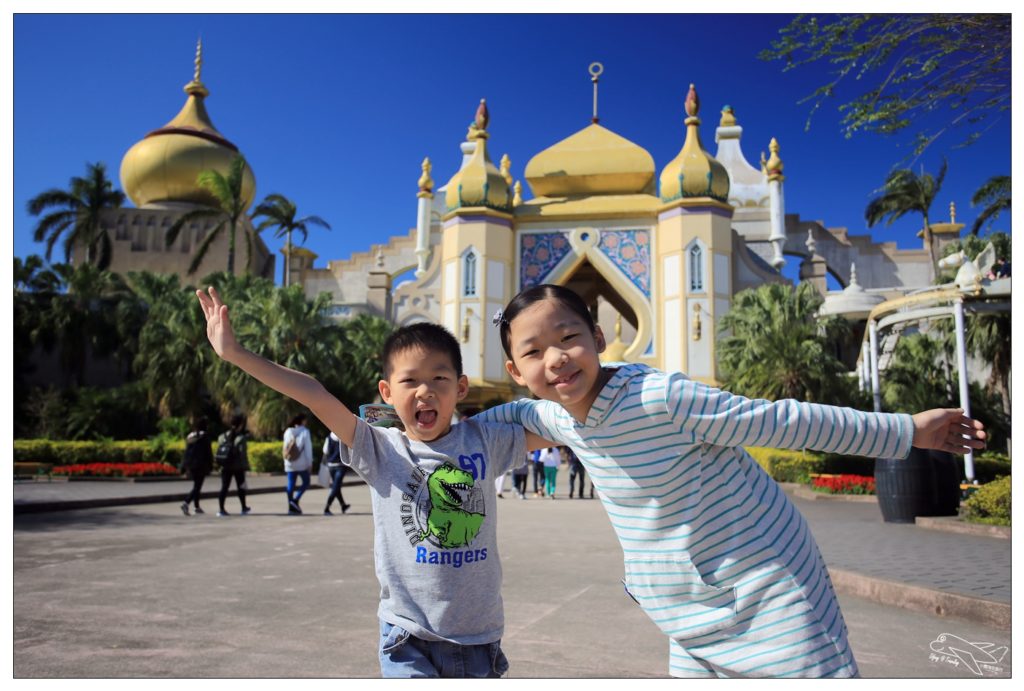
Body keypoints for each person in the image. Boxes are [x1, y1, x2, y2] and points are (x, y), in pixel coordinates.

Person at [480, 283, 987, 679]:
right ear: (516, 371)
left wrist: (905, 430)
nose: (556, 358)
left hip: (767, 584)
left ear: (598, 338)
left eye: (568, 338)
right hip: (684, 606)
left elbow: (780, 421)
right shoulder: (555, 416)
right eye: (534, 351)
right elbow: (480, 431)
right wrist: (415, 431)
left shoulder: (662, 398)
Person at [195, 286, 550, 678]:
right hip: (406, 636)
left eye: (439, 378)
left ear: (460, 388)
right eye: (410, 381)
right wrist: (235, 353)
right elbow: (316, 395)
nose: (425, 391)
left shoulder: (485, 439)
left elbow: (564, 424)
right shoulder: (379, 448)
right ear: (386, 392)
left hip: (477, 638)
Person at [216, 413, 252, 517]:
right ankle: (243, 508)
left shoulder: (222, 437)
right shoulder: (241, 438)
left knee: (224, 488)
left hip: (225, 466)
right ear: (240, 425)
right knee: (241, 487)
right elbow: (242, 455)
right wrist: (246, 467)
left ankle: (221, 509)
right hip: (238, 467)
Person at [180, 416, 214, 515]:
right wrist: (211, 464)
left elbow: (186, 452)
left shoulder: (190, 437)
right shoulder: (205, 437)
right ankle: (186, 503)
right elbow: (208, 452)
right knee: (197, 486)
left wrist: (184, 466)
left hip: (190, 464)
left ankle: (197, 507)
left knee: (196, 485)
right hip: (201, 465)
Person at [283, 413, 313, 514]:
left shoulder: (288, 431)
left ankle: (290, 507)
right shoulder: (305, 432)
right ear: (302, 421)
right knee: (306, 482)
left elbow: (285, 448)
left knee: (290, 484)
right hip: (301, 464)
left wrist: (285, 461)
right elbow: (308, 449)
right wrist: (310, 464)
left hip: (289, 463)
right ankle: (295, 500)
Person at [322, 431, 350, 515]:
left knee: (336, 486)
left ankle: (343, 505)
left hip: (331, 465)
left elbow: (325, 451)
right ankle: (327, 508)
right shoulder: (343, 437)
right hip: (340, 466)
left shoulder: (328, 437)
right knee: (335, 487)